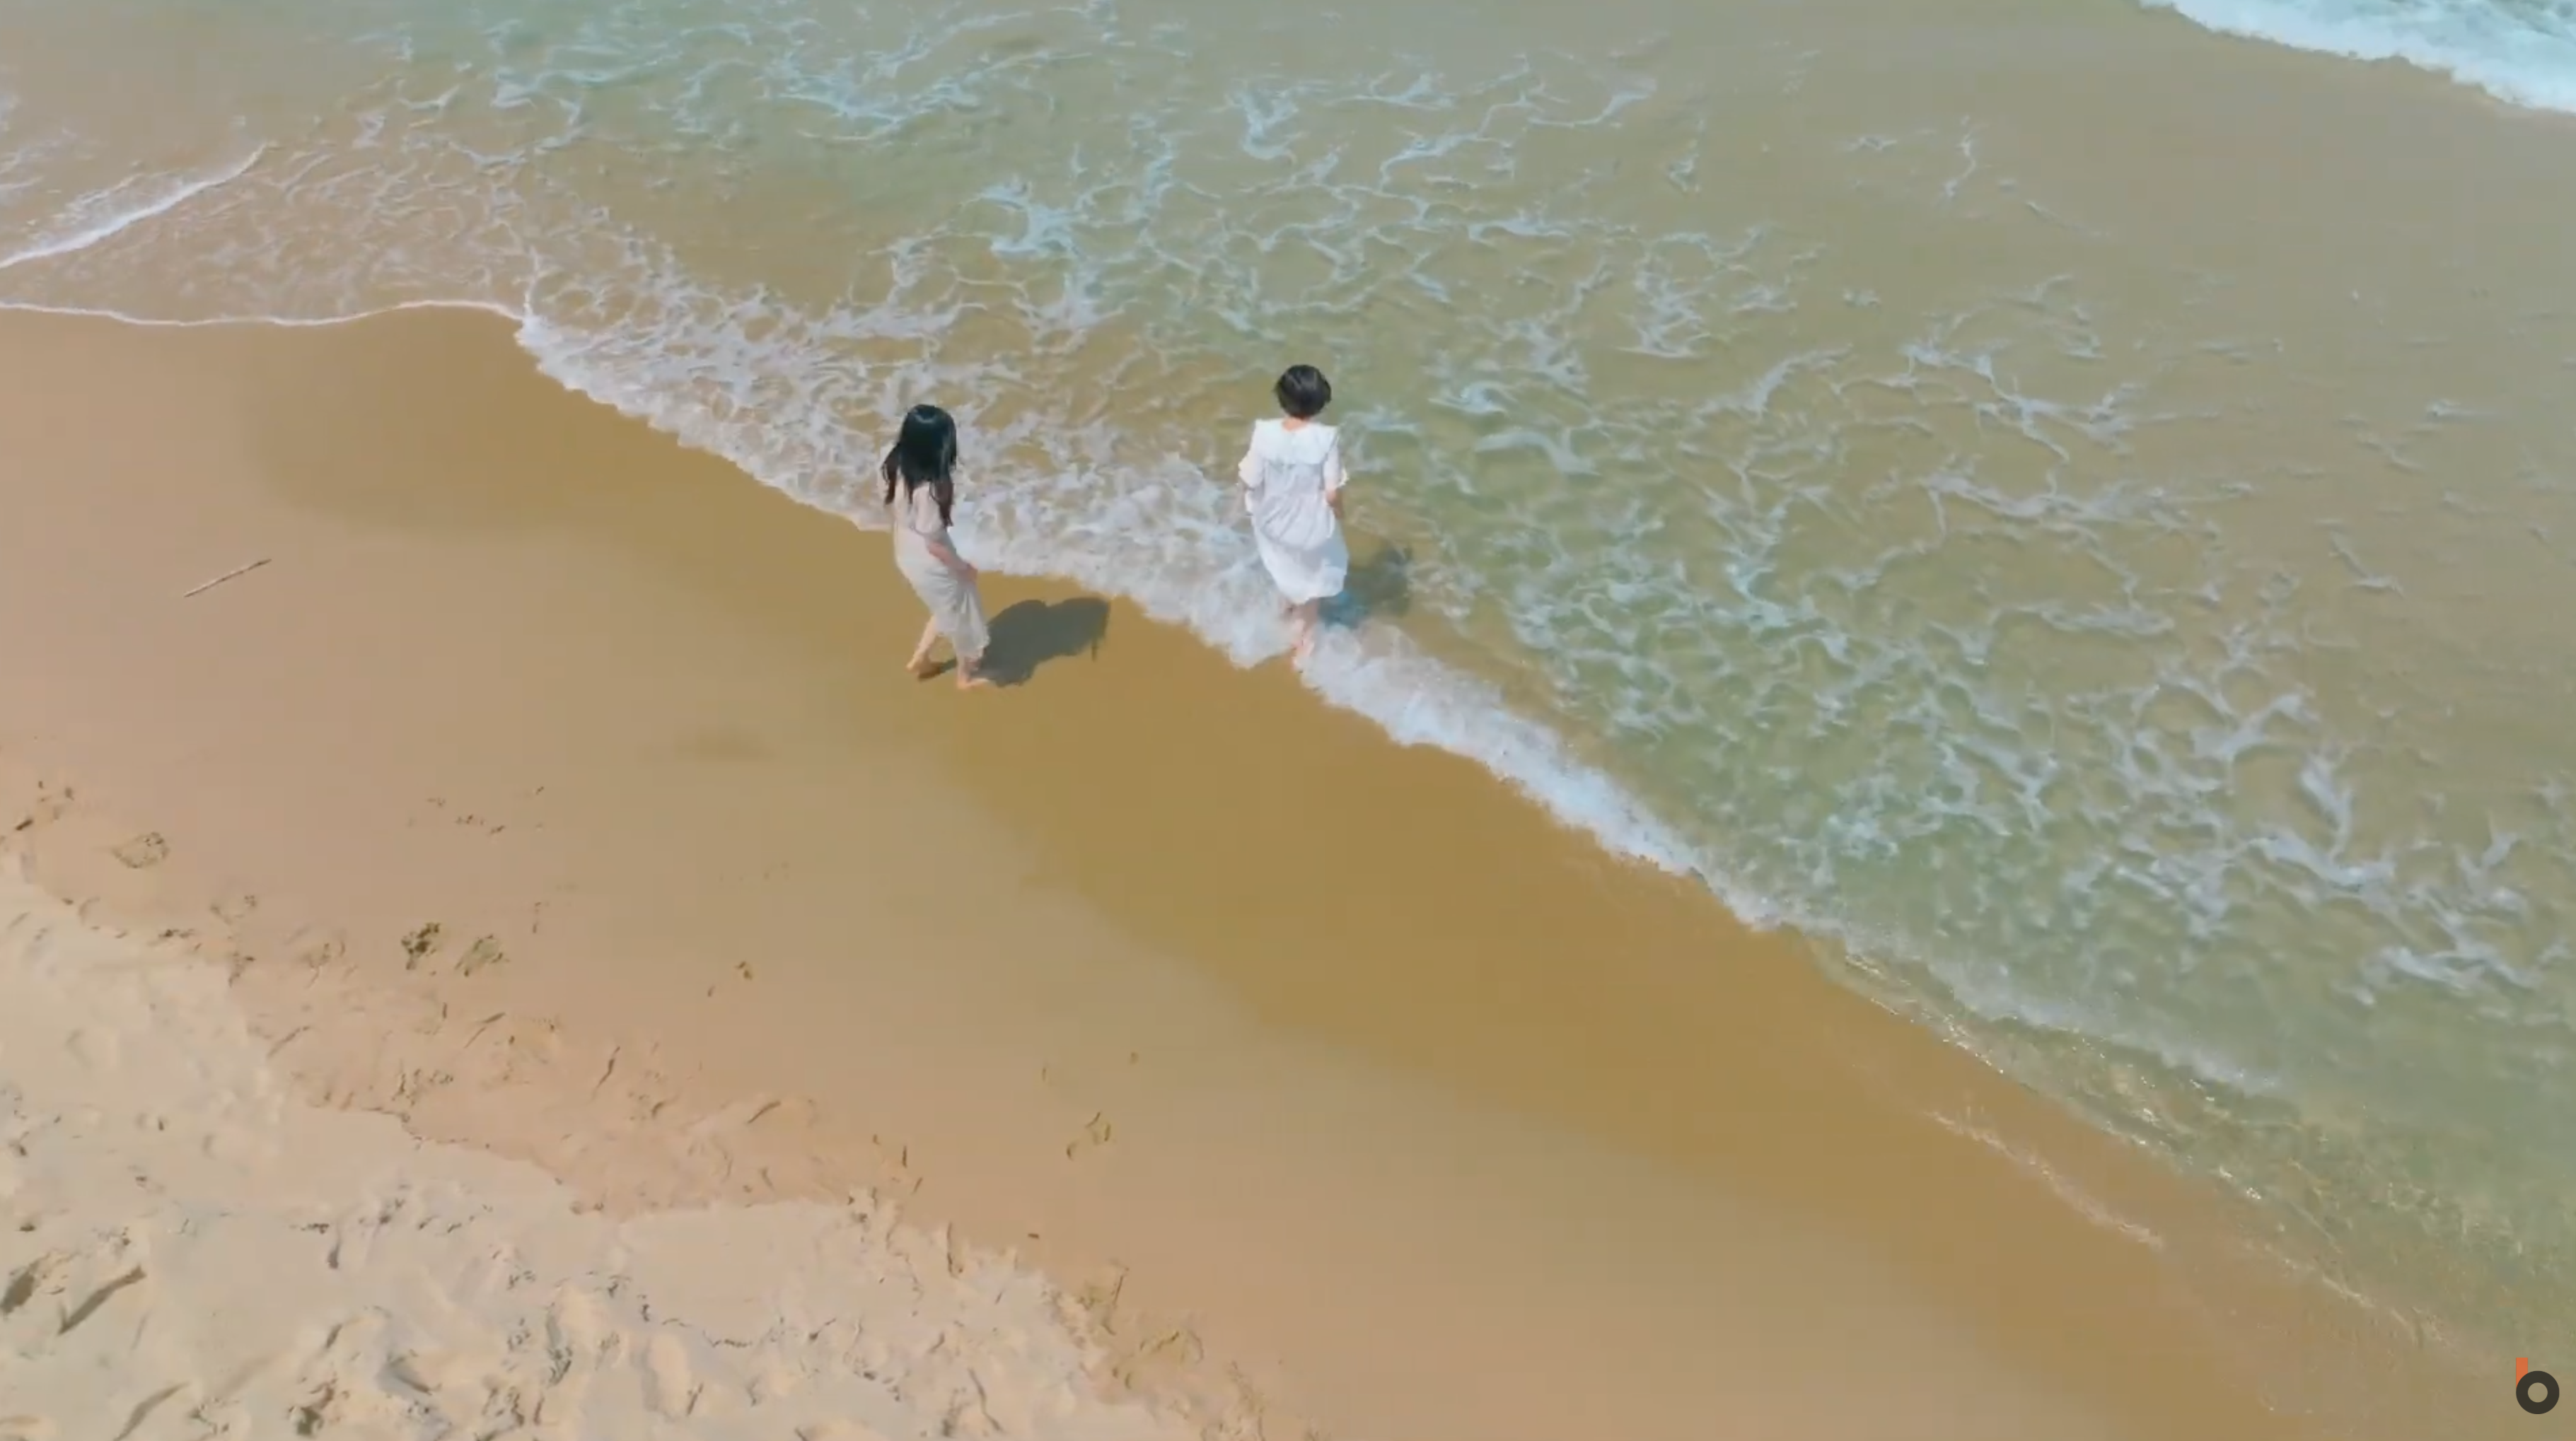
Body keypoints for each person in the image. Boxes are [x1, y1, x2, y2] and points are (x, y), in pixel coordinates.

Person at [1235, 363, 1350, 660]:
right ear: (1320, 402)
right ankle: (1304, 637)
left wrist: (1244, 503)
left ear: (1281, 398)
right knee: (1313, 584)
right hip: (1310, 525)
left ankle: (1285, 606)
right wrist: (1339, 512)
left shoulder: (1264, 433)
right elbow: (1331, 492)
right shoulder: (1326, 438)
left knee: (1285, 564)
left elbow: (1250, 478)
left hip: (1272, 519)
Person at [882, 403, 992, 689]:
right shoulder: (931, 490)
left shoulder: (895, 461)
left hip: (905, 545)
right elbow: (934, 545)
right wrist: (963, 568)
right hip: (930, 558)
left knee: (947, 608)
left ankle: (921, 658)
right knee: (962, 615)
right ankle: (964, 678)